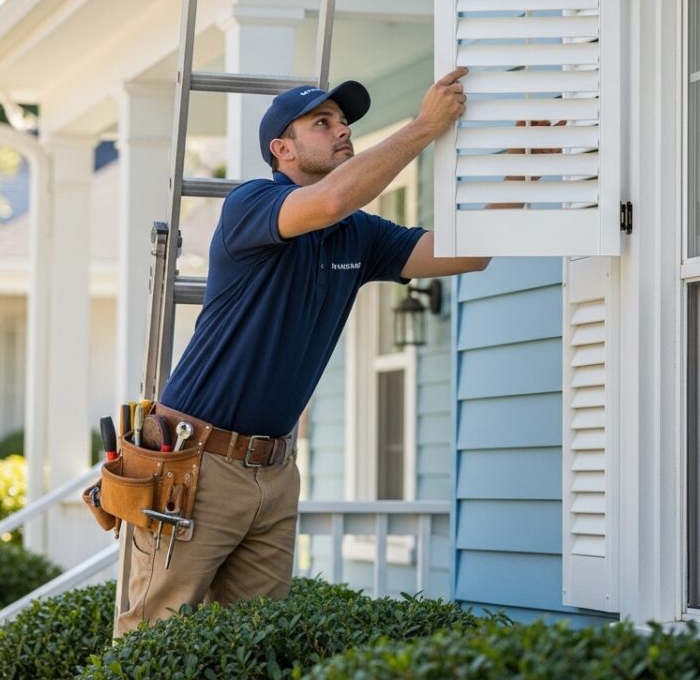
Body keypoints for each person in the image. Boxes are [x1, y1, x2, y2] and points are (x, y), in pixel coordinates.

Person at [114, 67, 490, 636]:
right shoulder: (250, 205)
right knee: (153, 640)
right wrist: (424, 127)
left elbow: (471, 254)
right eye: (323, 122)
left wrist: (525, 163)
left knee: (251, 647)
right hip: (196, 465)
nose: (342, 131)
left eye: (344, 122)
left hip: (276, 472)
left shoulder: (359, 237)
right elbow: (333, 198)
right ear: (281, 149)